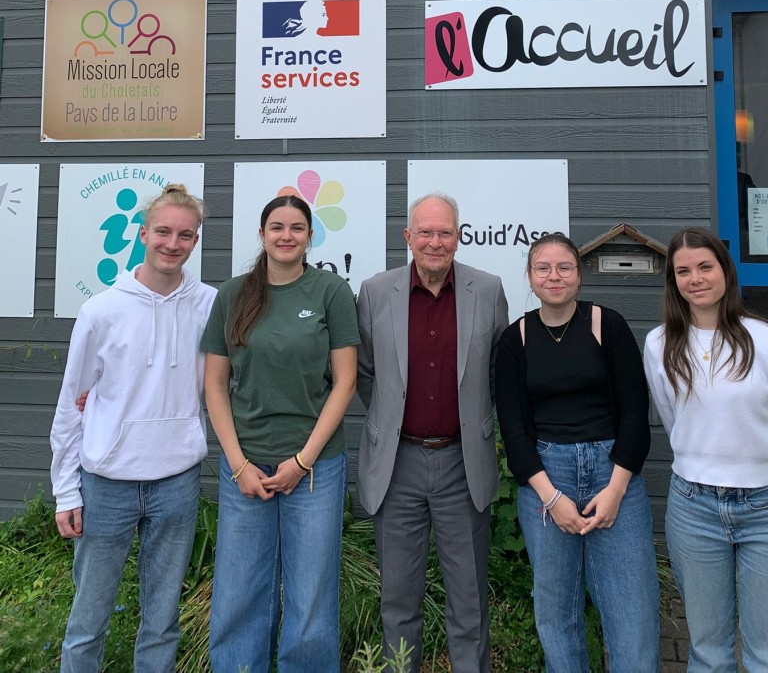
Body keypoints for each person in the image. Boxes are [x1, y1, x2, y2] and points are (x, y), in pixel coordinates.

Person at [50, 183, 213, 673]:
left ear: (196, 241)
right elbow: (71, 403)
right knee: (88, 621)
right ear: (143, 234)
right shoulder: (101, 311)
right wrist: (65, 490)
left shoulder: (210, 305)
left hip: (177, 481)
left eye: (185, 235)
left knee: (162, 622)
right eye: (163, 232)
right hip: (107, 484)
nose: (172, 243)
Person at [202, 194, 358, 673]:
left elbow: (345, 382)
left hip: (315, 468)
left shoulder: (331, 291)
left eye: (296, 228)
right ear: (262, 234)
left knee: (310, 595)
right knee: (238, 590)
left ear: (310, 236)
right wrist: (238, 464)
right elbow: (215, 385)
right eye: (276, 227)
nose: (286, 236)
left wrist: (303, 461)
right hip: (245, 465)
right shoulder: (232, 295)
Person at [356, 193, 509, 673]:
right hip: (397, 464)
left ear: (458, 237)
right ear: (408, 237)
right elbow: (365, 372)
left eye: (445, 233)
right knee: (398, 600)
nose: (435, 242)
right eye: (425, 232)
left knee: (469, 602)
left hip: (463, 464)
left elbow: (498, 372)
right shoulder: (375, 292)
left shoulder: (488, 290)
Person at [644, 227, 768, 673]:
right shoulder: (658, 345)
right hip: (693, 507)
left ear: (725, 271)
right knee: (708, 652)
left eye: (705, 266)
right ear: (673, 281)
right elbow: (673, 418)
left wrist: (757, 465)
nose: (695, 278)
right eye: (683, 271)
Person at [495, 231, 660, 673]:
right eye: (543, 268)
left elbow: (635, 413)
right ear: (530, 277)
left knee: (632, 607)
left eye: (564, 267)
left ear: (579, 274)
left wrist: (616, 490)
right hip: (547, 477)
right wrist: (552, 498)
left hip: (613, 473)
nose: (554, 276)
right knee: (556, 608)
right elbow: (513, 431)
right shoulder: (515, 339)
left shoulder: (609, 325)